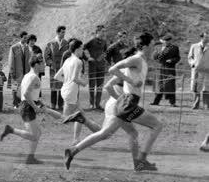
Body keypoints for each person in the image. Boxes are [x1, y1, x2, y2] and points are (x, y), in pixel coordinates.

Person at [64, 33, 162, 171]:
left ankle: (73, 150)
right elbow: (112, 69)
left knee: (109, 133)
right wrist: (131, 81)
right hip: (128, 102)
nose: (154, 48)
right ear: (145, 47)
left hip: (127, 102)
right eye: (153, 45)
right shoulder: (136, 59)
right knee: (157, 125)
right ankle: (142, 159)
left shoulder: (142, 61)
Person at [0, 55, 62, 164]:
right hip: (28, 107)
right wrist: (35, 106)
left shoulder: (27, 76)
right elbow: (26, 93)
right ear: (36, 64)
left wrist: (37, 101)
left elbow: (19, 93)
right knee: (34, 135)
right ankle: (11, 130)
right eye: (42, 63)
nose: (44, 65)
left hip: (26, 105)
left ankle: (30, 157)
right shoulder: (34, 77)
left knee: (37, 133)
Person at [57, 40, 102, 144]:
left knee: (81, 114)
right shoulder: (78, 61)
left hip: (65, 90)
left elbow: (57, 76)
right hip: (71, 92)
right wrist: (84, 83)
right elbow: (74, 78)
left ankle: (79, 138)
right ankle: (101, 132)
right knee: (65, 119)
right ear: (77, 49)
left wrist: (67, 82)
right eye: (82, 48)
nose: (83, 50)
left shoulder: (67, 60)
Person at [152, 33, 180, 107]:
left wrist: (172, 60)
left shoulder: (174, 48)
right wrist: (158, 51)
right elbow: (154, 57)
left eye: (168, 40)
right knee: (159, 85)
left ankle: (172, 103)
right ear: (163, 41)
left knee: (170, 85)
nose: (167, 42)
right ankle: (156, 102)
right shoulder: (158, 47)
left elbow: (177, 58)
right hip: (160, 68)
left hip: (169, 69)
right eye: (165, 40)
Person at [83, 25, 108, 110]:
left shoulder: (104, 42)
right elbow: (82, 48)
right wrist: (88, 57)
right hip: (92, 66)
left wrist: (103, 58)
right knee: (92, 86)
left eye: (105, 31)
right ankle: (91, 104)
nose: (104, 33)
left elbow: (105, 51)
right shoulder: (91, 41)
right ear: (98, 32)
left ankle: (97, 104)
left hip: (101, 66)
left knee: (100, 86)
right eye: (103, 31)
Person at [8, 31, 31, 108]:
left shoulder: (27, 47)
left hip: (25, 72)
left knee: (23, 88)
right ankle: (15, 104)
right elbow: (11, 60)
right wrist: (12, 71)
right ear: (21, 38)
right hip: (16, 72)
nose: (26, 39)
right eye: (24, 38)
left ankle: (22, 103)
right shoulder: (14, 47)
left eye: (26, 38)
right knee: (15, 88)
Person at [187, 32, 209, 110]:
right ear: (201, 38)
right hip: (197, 70)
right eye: (206, 37)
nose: (207, 39)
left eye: (208, 37)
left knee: (206, 88)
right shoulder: (194, 46)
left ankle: (206, 106)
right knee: (196, 88)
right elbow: (190, 57)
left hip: (207, 71)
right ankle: (196, 104)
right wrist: (193, 64)